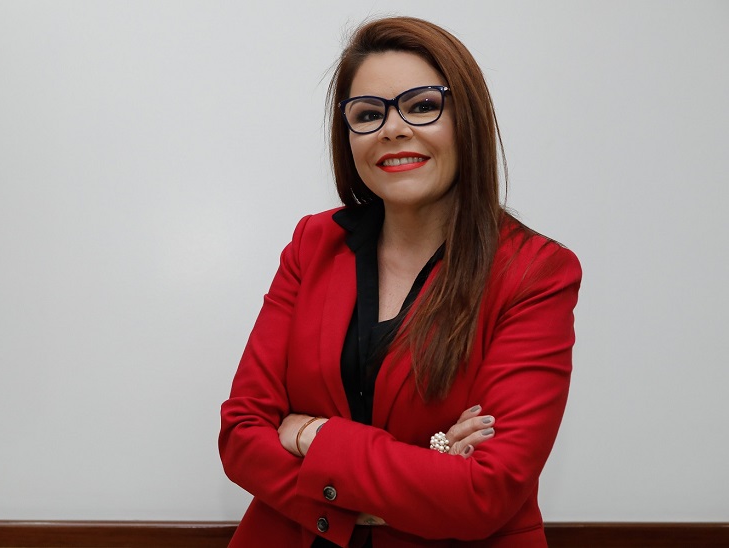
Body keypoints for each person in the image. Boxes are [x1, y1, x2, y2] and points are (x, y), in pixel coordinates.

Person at [219, 15, 581, 548]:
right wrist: (425, 469)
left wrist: (312, 434)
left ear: (468, 119)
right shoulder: (312, 244)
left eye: (422, 105)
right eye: (368, 114)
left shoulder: (536, 271)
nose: (392, 128)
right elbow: (241, 435)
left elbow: (485, 492)